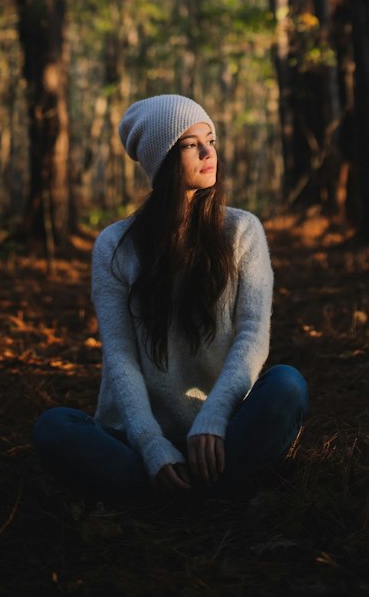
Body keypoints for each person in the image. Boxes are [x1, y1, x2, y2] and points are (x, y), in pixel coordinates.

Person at [32, 94, 307, 502]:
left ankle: (171, 498)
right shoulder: (116, 245)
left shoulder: (243, 232)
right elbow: (120, 355)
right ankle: (201, 493)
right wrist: (150, 443)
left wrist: (213, 417)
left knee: (287, 384)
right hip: (136, 438)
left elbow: (253, 335)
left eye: (210, 139)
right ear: (160, 160)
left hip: (220, 432)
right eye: (190, 144)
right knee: (53, 428)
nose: (207, 152)